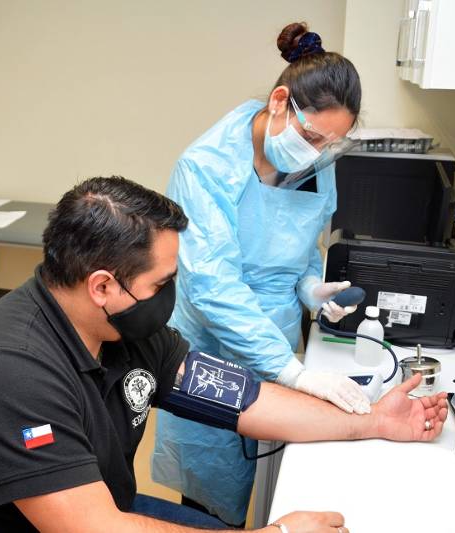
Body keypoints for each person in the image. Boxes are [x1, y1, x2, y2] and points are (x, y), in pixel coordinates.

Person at [0, 176, 448, 532]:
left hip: (110, 514)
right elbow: (96, 530)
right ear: (102, 286)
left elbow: (244, 401)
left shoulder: (125, 327)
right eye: (163, 280)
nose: (174, 292)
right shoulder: (8, 371)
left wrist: (371, 421)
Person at [152, 22, 367, 525]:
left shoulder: (317, 155)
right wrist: (293, 372)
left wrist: (311, 286)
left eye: (331, 145)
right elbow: (212, 286)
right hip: (210, 342)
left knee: (269, 471)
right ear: (279, 102)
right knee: (210, 484)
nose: (318, 154)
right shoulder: (205, 166)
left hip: (276, 334)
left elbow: (300, 246)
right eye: (313, 136)